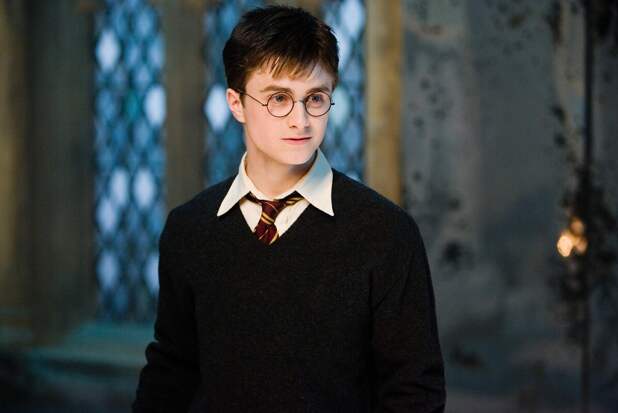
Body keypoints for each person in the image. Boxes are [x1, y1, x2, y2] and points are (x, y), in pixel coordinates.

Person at [133, 5, 445, 412]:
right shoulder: (189, 229)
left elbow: (414, 392)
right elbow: (170, 373)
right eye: (278, 98)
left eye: (315, 98)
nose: (301, 120)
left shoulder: (385, 233)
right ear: (236, 103)